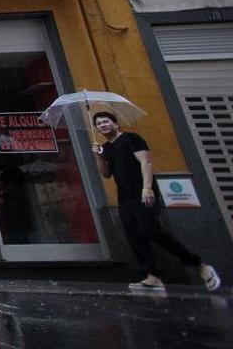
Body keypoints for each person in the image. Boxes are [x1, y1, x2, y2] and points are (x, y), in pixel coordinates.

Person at [92, 111, 221, 292]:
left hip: (142, 193)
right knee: (134, 237)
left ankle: (199, 265)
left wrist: (147, 187)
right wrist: (99, 156)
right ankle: (152, 276)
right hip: (125, 197)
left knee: (152, 230)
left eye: (105, 122)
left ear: (115, 123)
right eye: (99, 124)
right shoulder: (106, 148)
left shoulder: (131, 139)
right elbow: (106, 174)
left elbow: (146, 162)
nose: (103, 125)